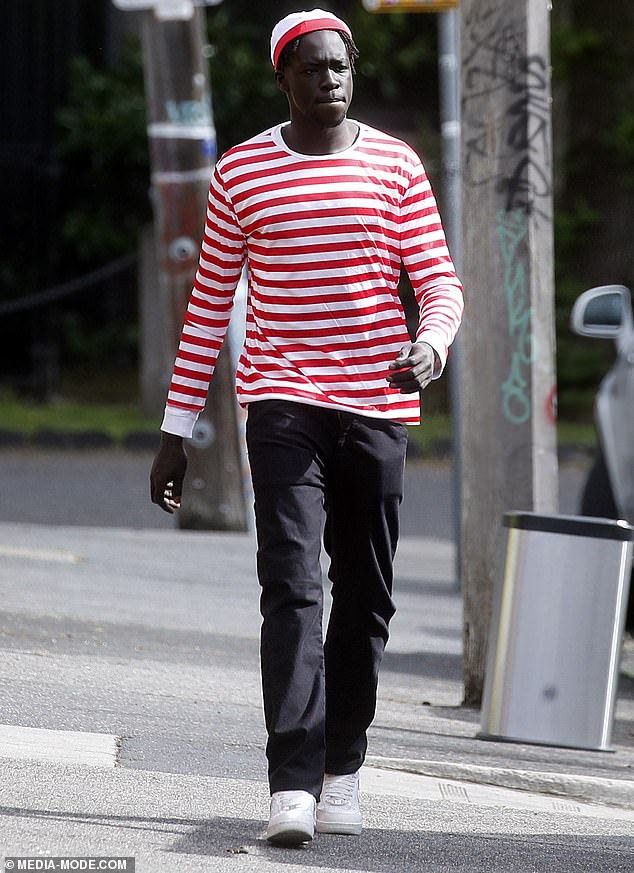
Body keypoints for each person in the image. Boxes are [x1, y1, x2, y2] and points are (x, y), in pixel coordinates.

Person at [150, 8, 463, 847]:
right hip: (282, 404)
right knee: (292, 586)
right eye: (313, 68)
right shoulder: (243, 173)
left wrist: (430, 344)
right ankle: (291, 781)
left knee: (365, 598)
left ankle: (342, 768)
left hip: (379, 407)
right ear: (282, 78)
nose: (330, 80)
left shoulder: (395, 166)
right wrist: (177, 428)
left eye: (342, 67)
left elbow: (439, 282)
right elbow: (209, 306)